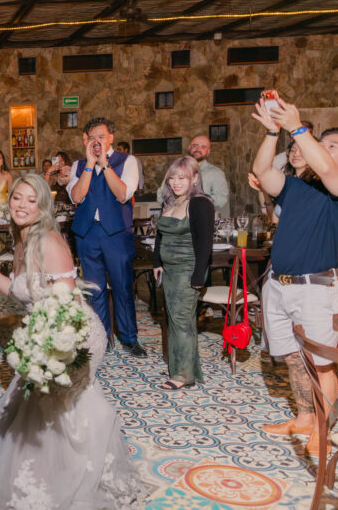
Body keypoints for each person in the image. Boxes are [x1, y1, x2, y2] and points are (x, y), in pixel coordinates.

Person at [0, 174, 145, 510]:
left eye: (31, 200)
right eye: (17, 197)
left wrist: (49, 347)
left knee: (63, 407)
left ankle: (74, 480)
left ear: (43, 207)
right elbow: (22, 290)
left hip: (72, 335)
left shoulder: (49, 241)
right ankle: (50, 473)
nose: (21, 205)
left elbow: (65, 306)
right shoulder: (22, 237)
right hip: (45, 329)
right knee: (39, 406)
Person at [250, 96, 338, 456]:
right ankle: (304, 417)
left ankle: (323, 426)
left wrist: (298, 128)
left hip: (315, 289)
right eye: (322, 142)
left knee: (321, 363)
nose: (321, 148)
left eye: (331, 145)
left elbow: (330, 173)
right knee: (291, 357)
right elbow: (264, 172)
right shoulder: (298, 186)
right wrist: (272, 132)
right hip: (279, 286)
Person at [68, 117, 146, 356]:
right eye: (92, 138)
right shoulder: (79, 165)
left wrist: (105, 164)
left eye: (101, 137)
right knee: (95, 289)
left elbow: (123, 194)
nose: (96, 141)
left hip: (116, 234)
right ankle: (101, 338)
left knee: (122, 287)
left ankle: (129, 338)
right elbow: (76, 197)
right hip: (87, 234)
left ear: (111, 137)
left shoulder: (128, 161)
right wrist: (91, 165)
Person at [152, 157, 214, 390]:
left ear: (195, 179)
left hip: (187, 270)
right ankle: (183, 367)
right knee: (176, 319)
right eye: (172, 178)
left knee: (180, 321)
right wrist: (157, 260)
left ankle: (183, 375)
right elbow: (160, 235)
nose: (175, 183)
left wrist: (199, 275)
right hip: (169, 271)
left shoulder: (199, 203)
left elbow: (205, 242)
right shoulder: (170, 201)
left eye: (182, 178)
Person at [160, 136, 229, 217]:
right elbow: (160, 195)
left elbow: (221, 200)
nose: (198, 149)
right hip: (175, 221)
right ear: (189, 147)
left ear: (208, 151)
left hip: (203, 218)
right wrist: (178, 203)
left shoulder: (216, 173)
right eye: (195, 145)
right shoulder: (176, 169)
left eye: (203, 147)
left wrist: (191, 202)